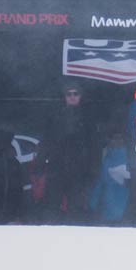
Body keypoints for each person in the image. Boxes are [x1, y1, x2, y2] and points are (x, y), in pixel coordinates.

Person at [45, 81, 96, 223]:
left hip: (79, 169)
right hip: (57, 167)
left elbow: (94, 145)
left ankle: (74, 239)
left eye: (76, 94)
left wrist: (93, 169)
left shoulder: (88, 118)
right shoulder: (55, 116)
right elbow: (47, 141)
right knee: (52, 205)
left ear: (80, 96)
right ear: (64, 97)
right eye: (69, 94)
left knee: (76, 207)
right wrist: (41, 163)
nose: (72, 97)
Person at [89, 131, 134, 224]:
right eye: (114, 138)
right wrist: (93, 203)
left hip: (124, 212)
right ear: (109, 140)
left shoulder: (131, 159)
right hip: (108, 211)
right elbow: (100, 183)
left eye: (120, 138)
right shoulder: (106, 159)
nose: (117, 141)